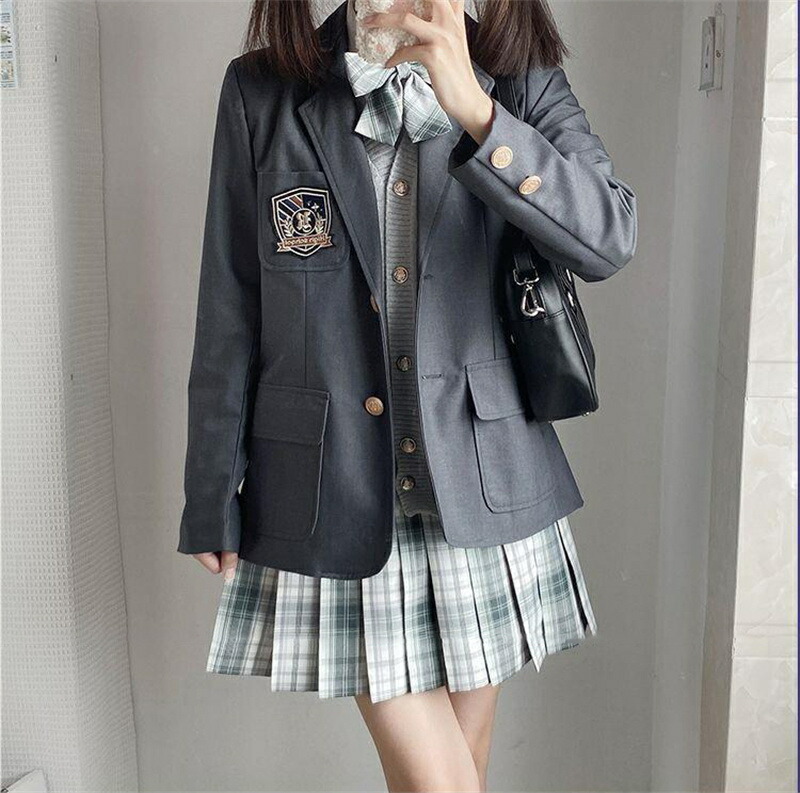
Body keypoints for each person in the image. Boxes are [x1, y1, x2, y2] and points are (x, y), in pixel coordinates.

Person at [178, 0, 638, 790]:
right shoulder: (263, 89)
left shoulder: (517, 79)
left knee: (456, 773)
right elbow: (231, 303)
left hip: (484, 488)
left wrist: (478, 112)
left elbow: (609, 237)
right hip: (336, 492)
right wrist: (211, 491)